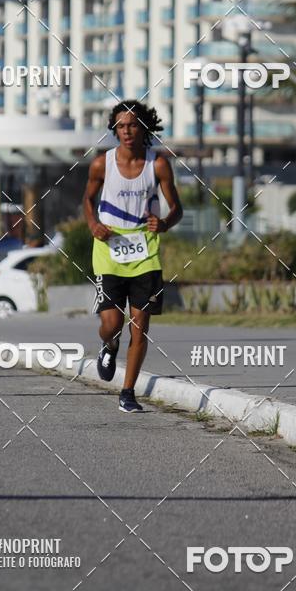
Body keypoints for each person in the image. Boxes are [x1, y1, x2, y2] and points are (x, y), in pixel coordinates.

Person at [83, 100, 182, 413]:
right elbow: (88, 199)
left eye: (133, 125)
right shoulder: (101, 164)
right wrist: (93, 224)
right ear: (115, 129)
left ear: (144, 128)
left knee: (139, 326)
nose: (126, 131)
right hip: (108, 250)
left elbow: (177, 209)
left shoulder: (159, 164)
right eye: (121, 126)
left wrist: (164, 223)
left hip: (145, 253)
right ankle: (109, 344)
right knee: (112, 324)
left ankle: (128, 392)